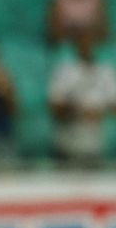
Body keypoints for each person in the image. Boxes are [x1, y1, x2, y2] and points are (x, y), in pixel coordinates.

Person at [49, 33, 116, 166]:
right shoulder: (65, 71)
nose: (87, 47)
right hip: (70, 137)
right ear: (77, 46)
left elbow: (113, 105)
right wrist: (79, 110)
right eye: (83, 42)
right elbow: (55, 107)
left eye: (90, 43)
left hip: (98, 139)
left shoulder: (105, 72)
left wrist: (99, 112)